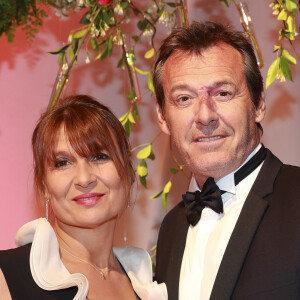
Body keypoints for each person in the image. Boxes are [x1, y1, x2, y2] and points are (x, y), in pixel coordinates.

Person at [153, 21, 300, 300]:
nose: (205, 115)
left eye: (223, 93)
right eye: (184, 98)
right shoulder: (171, 229)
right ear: (162, 117)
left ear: (258, 104)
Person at [0, 95, 167, 300]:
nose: (84, 179)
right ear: (44, 185)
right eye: (63, 163)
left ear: (129, 174)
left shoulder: (147, 283)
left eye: (99, 157)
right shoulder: (6, 276)